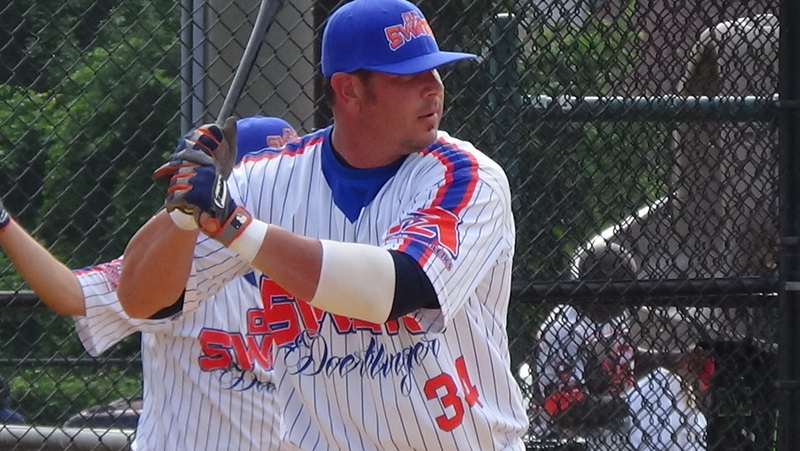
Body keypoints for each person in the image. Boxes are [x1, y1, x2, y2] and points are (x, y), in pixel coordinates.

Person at [117, 0, 530, 449]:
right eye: (407, 75)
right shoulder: (266, 180)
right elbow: (141, 300)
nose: (432, 87)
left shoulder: (466, 176)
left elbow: (393, 290)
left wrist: (235, 226)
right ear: (349, 89)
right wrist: (183, 215)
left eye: (434, 70)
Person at [0, 116, 297, 450]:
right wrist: (3, 222)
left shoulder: (310, 268)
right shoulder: (177, 265)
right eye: (273, 180)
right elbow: (69, 293)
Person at [531, 242, 708, 450]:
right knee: (662, 391)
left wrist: (675, 360)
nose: (628, 294)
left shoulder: (614, 315)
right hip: (571, 438)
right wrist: (636, 403)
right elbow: (565, 410)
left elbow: (624, 359)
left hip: (616, 428)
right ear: (598, 282)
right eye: (622, 284)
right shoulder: (563, 331)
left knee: (665, 382)